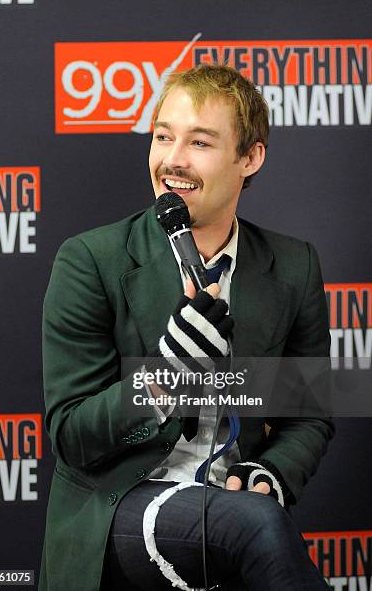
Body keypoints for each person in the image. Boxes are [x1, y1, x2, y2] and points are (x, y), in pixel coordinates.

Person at [39, 65, 334, 591]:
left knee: (255, 517)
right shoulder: (90, 259)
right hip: (119, 504)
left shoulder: (294, 267)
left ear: (250, 158)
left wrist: (271, 474)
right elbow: (71, 436)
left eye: (199, 142)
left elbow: (308, 415)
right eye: (162, 137)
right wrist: (162, 378)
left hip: (233, 500)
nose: (172, 160)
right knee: (256, 525)